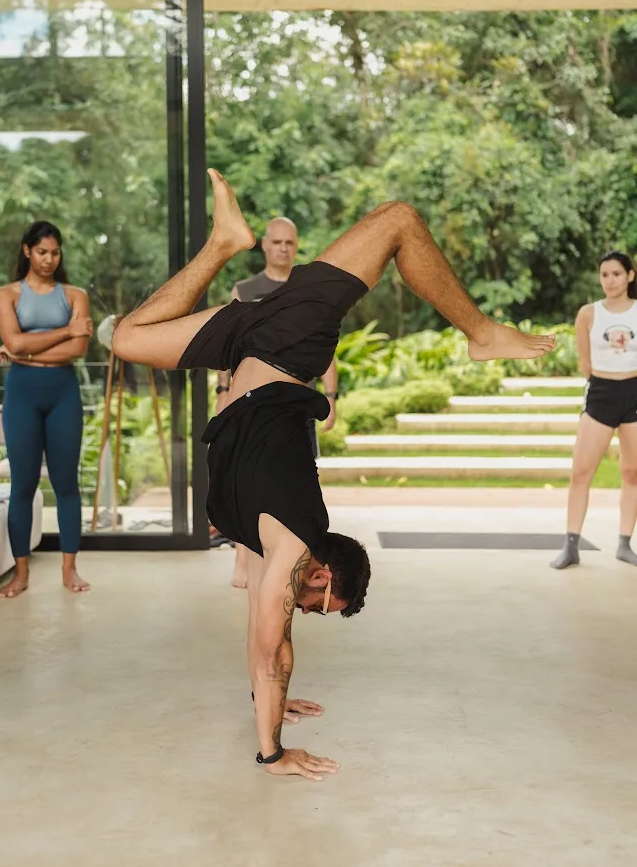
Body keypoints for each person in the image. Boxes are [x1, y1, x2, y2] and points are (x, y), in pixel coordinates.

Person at [113, 170, 554, 780]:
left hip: (251, 349)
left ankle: (223, 243)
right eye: (322, 603)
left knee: (128, 338)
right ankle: (480, 334)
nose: (309, 609)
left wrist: (270, 703)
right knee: (398, 218)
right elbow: (275, 651)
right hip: (287, 348)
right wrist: (272, 752)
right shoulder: (293, 542)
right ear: (321, 573)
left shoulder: (263, 542)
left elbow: (261, 644)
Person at [216, 216, 339, 589]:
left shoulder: (309, 289)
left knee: (295, 484)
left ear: (296, 246)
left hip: (296, 403)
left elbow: (326, 347)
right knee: (246, 481)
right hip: (250, 403)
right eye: (277, 242)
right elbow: (229, 343)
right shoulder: (246, 289)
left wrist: (331, 396)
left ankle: (294, 561)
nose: (284, 248)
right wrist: (222, 390)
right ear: (265, 245)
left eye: (290, 242)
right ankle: (241, 560)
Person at [0, 221, 92, 598]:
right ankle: (20, 574)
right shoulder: (6, 295)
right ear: (26, 251)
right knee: (23, 485)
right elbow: (13, 342)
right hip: (22, 395)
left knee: (67, 485)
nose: (49, 259)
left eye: (55, 252)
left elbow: (78, 350)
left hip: (63, 392)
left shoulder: (74, 295)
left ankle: (70, 570)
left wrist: (25, 348)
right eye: (41, 252)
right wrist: (66, 330)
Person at [551, 251, 637, 570]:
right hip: (601, 394)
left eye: (616, 274)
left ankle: (624, 544)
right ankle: (571, 545)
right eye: (604, 275)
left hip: (635, 395)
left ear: (630, 275)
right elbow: (585, 365)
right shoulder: (589, 313)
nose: (610, 281)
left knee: (632, 473)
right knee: (580, 472)